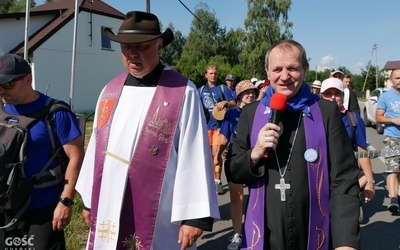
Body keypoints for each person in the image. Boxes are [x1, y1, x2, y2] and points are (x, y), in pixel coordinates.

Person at [75, 11, 220, 250]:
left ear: (159, 44)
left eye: (141, 46)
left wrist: (194, 217)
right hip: (109, 201)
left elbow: (194, 152)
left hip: (161, 211)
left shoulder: (182, 91)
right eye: (125, 47)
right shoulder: (109, 91)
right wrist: (90, 201)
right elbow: (96, 150)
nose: (132, 54)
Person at [230, 40, 360, 250]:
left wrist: (346, 242)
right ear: (267, 71)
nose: (284, 76)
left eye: (292, 68)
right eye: (277, 69)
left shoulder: (326, 112)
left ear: (305, 69)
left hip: (315, 232)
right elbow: (234, 171)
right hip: (266, 236)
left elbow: (344, 179)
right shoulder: (251, 113)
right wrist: (254, 154)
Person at [0, 54, 84, 249]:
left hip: (43, 211)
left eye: (7, 84)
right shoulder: (2, 112)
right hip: (6, 207)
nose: (2, 91)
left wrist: (66, 201)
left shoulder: (55, 112)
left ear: (28, 80)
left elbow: (76, 156)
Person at [320, 78, 375, 222]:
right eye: (328, 94)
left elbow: (362, 150)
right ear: (321, 96)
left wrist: (370, 181)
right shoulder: (312, 119)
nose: (333, 97)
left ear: (343, 96)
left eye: (337, 93)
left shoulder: (353, 119)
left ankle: (352, 195)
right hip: (319, 175)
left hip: (345, 175)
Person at [214, 80, 258, 250]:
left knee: (257, 196)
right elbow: (224, 139)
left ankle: (256, 229)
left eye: (253, 93)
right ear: (239, 96)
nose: (250, 95)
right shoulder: (231, 114)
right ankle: (237, 234)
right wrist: (217, 156)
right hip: (236, 159)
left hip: (257, 159)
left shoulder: (261, 112)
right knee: (236, 198)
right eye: (246, 93)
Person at [199, 65, 236, 195]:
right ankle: (208, 180)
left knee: (216, 154)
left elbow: (234, 103)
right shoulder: (201, 90)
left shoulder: (222, 88)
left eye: (215, 73)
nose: (213, 75)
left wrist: (225, 102)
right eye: (210, 73)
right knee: (208, 156)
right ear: (206, 75)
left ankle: (217, 180)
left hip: (219, 126)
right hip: (206, 127)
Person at [376, 68, 400, 214]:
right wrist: (393, 120)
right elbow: (379, 117)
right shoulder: (385, 96)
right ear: (391, 80)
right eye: (397, 78)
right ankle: (393, 200)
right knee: (393, 168)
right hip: (392, 137)